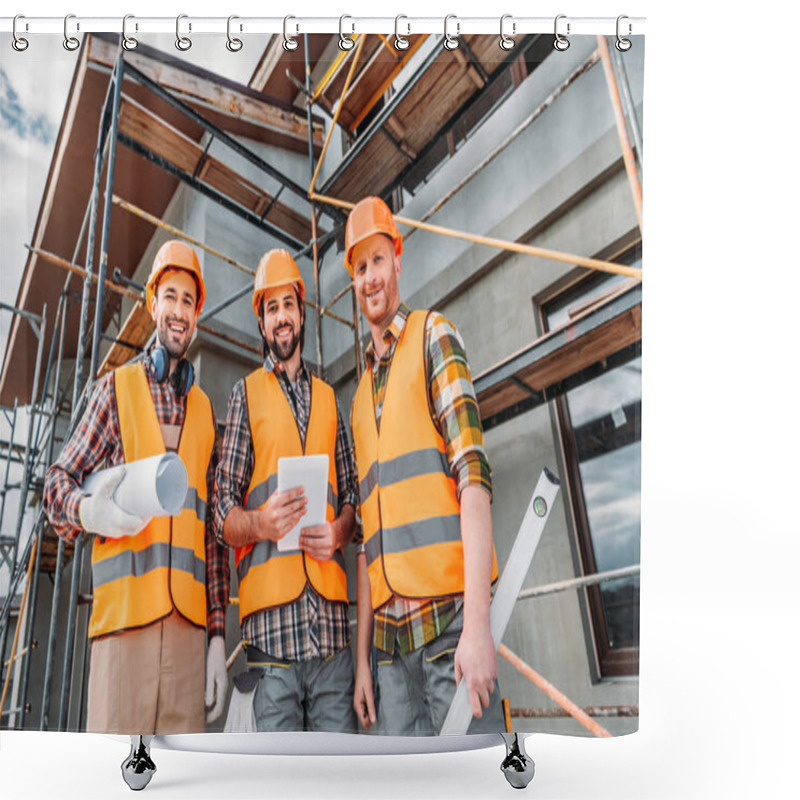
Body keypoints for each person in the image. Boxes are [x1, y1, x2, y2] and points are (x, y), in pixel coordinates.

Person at [44, 239, 229, 734]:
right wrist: (86, 512)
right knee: (115, 781)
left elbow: (209, 536)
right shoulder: (115, 390)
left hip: (189, 642)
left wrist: (216, 637)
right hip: (124, 631)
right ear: (152, 303)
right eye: (170, 296)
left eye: (189, 301)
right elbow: (55, 484)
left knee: (181, 786)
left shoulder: (207, 413)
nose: (179, 311)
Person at [345, 196, 504, 736]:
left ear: (398, 260)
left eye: (379, 261)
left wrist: (478, 626)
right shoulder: (359, 399)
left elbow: (474, 479)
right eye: (360, 267)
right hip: (390, 657)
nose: (370, 278)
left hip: (450, 632)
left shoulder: (434, 336)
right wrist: (363, 660)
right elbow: (367, 540)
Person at [215, 248, 358, 733]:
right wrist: (260, 522)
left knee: (337, 779)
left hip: (332, 637)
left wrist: (340, 530)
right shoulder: (244, 395)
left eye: (288, 306)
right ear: (262, 322)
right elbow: (222, 515)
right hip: (272, 643)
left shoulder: (329, 400)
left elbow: (354, 497)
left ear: (301, 314)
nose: (281, 317)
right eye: (271, 308)